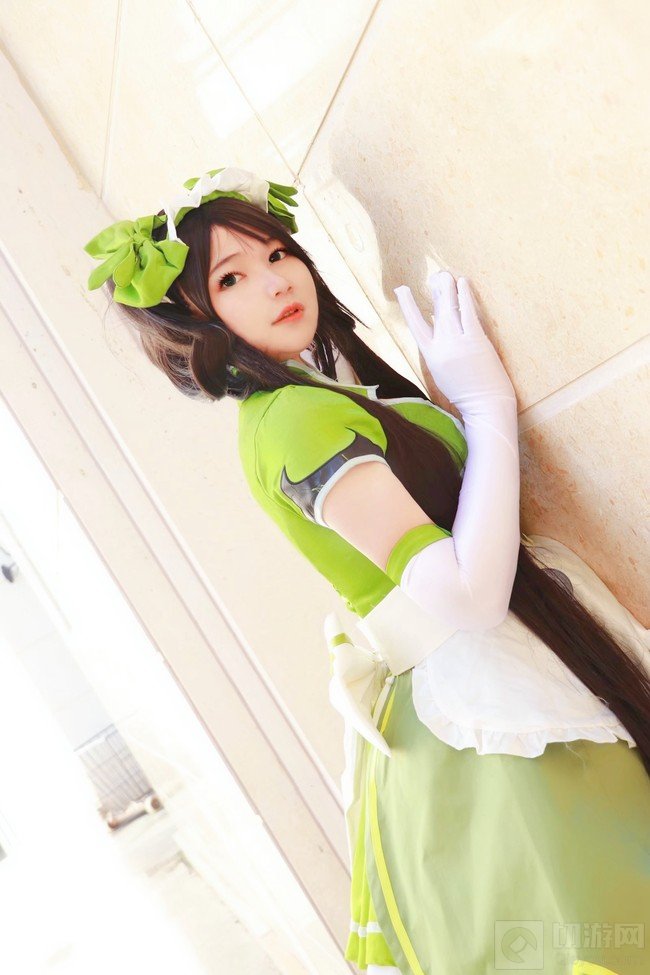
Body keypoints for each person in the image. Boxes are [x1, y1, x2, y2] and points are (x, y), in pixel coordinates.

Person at [84, 166, 650, 975]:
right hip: (490, 707)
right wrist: (486, 409)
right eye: (231, 277)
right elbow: (467, 595)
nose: (276, 281)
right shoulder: (292, 419)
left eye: (277, 253)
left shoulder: (311, 395)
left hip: (491, 690)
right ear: (192, 317)